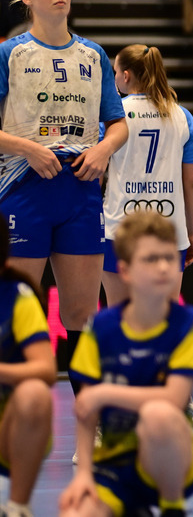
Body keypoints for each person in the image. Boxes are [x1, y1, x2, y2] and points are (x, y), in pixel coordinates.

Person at [0, 0, 128, 382]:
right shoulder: (10, 53)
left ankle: (90, 427)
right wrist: (26, 148)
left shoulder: (92, 55)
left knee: (81, 315)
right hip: (24, 187)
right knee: (14, 311)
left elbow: (119, 124)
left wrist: (105, 149)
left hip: (80, 188)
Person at [59, 212, 193, 517]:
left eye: (169, 257)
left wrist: (105, 395)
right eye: (151, 259)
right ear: (124, 270)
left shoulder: (190, 323)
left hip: (173, 455)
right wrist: (85, 475)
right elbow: (86, 412)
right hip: (118, 460)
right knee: (76, 512)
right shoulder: (99, 328)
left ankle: (171, 506)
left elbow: (173, 399)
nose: (164, 267)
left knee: (158, 414)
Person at [102, 45, 193, 306]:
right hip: (169, 228)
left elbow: (97, 175)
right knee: (164, 321)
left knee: (120, 318)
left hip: (119, 227)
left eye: (115, 73)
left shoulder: (113, 115)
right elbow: (192, 184)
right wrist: (192, 233)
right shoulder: (182, 116)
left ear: (125, 76)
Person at [0, 218, 56, 517]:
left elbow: (46, 369)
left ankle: (17, 507)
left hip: (7, 429)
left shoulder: (17, 295)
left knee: (35, 393)